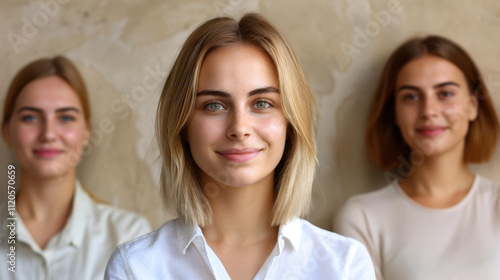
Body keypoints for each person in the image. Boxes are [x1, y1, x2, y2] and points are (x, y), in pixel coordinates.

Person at [105, 13, 375, 280]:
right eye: (214, 105)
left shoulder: (345, 266)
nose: (239, 128)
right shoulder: (136, 268)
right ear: (183, 125)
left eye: (262, 103)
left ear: (290, 124)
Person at [334, 35, 500, 280]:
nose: (428, 111)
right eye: (411, 97)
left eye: (445, 93)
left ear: (473, 106)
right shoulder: (362, 217)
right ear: (395, 114)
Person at [0, 56, 152, 280]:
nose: (49, 134)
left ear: (85, 133)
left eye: (66, 117)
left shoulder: (128, 235)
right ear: (8, 132)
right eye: (30, 117)